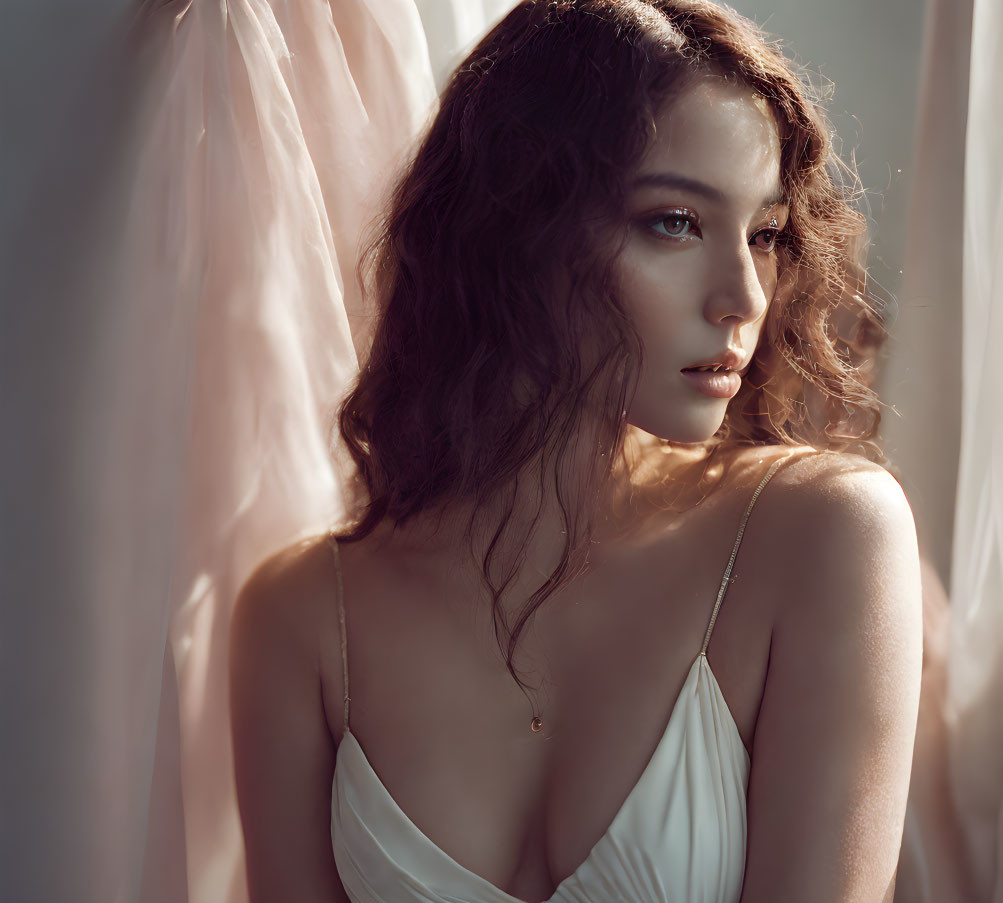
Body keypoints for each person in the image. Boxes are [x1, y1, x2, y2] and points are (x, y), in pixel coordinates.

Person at [228, 0, 924, 901]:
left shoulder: (820, 534)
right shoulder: (299, 619)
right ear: (514, 230)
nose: (742, 296)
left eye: (764, 233)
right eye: (673, 221)